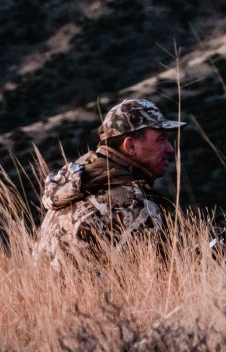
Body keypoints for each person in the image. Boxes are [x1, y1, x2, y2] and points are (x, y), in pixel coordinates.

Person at [34, 98, 183, 271]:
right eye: (161, 139)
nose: (169, 149)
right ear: (131, 146)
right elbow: (165, 276)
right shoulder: (128, 201)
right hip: (97, 298)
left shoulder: (79, 185)